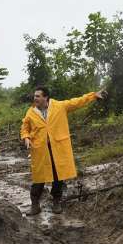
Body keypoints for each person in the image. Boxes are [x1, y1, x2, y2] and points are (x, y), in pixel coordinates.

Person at [20, 86, 107, 215]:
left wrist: (93, 95)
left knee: (57, 176)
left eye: (38, 96)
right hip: (40, 149)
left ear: (45, 97)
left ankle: (56, 202)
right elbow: (25, 127)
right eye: (35, 96)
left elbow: (77, 102)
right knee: (38, 178)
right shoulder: (31, 112)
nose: (35, 98)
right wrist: (26, 137)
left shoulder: (59, 106)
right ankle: (35, 205)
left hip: (57, 148)